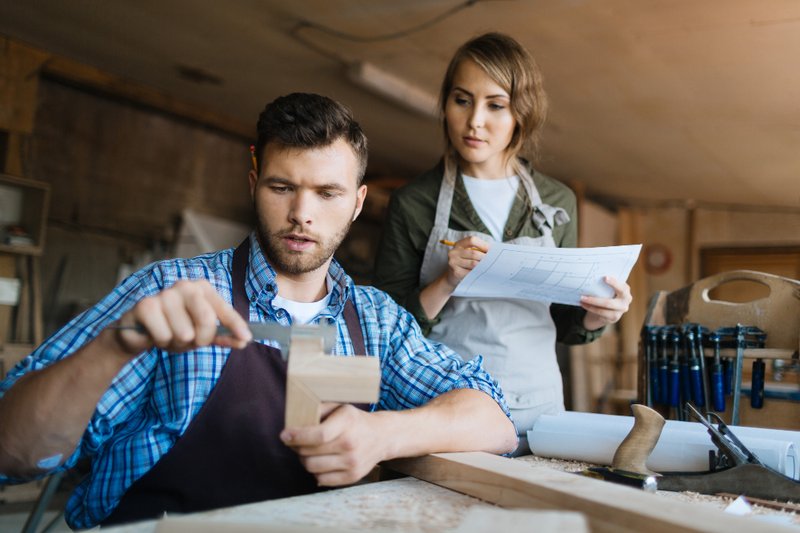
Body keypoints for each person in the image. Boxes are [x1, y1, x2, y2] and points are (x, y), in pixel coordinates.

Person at [0, 93, 517, 528]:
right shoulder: (168, 291)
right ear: (254, 184)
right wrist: (111, 347)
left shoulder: (376, 322)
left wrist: (384, 433)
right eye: (282, 187)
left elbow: (496, 421)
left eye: (327, 193)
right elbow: (13, 453)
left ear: (358, 203)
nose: (302, 214)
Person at [373, 33, 632, 449]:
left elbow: (566, 323)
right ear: (446, 104)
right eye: (462, 100)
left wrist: (601, 315)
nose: (475, 120)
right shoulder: (414, 203)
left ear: (521, 113)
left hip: (541, 409)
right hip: (450, 407)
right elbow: (385, 327)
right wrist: (445, 282)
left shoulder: (556, 201)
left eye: (495, 105)